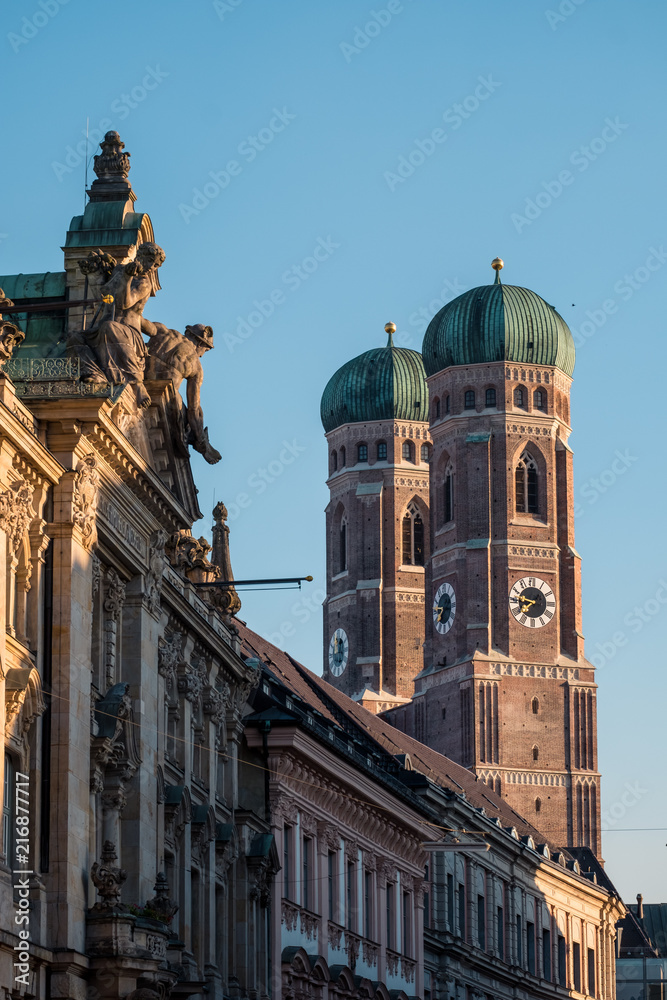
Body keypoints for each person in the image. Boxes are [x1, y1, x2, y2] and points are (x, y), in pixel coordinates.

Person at [68, 243, 165, 408]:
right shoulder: (120, 270)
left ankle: (137, 383)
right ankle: (96, 374)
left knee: (109, 327)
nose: (151, 267)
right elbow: (105, 293)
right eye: (150, 261)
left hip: (129, 334)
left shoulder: (144, 283)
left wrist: (127, 279)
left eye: (156, 265)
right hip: (109, 325)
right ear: (139, 255)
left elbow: (124, 303)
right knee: (74, 337)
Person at [145, 322, 221, 464]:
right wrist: (200, 439)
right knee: (197, 412)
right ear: (200, 343)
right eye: (205, 350)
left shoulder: (163, 331)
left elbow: (135, 321)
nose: (203, 355)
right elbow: (193, 409)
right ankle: (201, 443)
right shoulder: (196, 367)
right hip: (166, 398)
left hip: (141, 379)